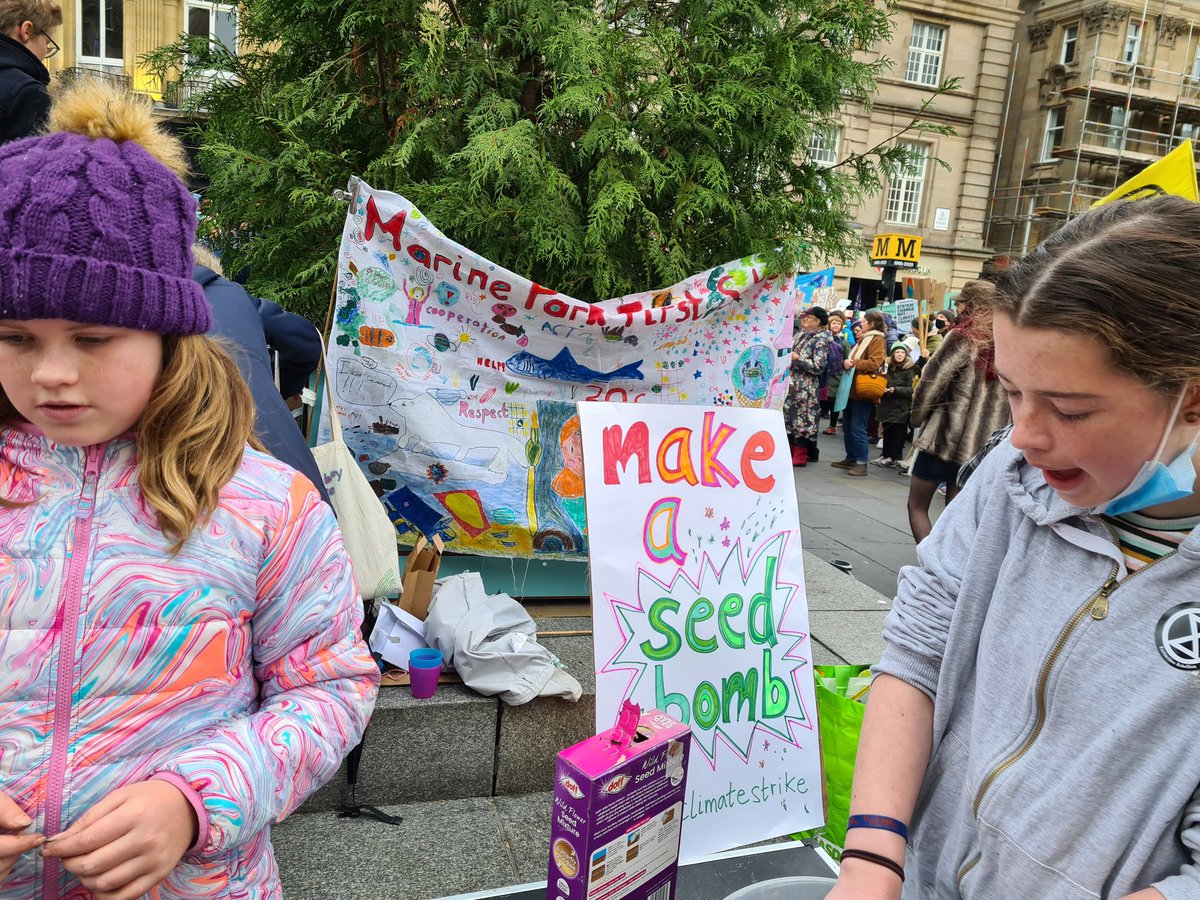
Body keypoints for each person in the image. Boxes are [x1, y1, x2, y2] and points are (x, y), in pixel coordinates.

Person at [0, 80, 379, 897]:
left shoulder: (266, 506)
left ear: (169, 334)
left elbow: (330, 687)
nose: (51, 372)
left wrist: (196, 800)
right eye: (15, 337)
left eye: (93, 337)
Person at [828, 194, 1200, 900]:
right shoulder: (1012, 475)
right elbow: (919, 648)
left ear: (1193, 397)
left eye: (1069, 409)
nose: (1023, 437)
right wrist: (872, 861)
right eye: (1012, 392)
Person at [192, 245, 328, 502]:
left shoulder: (130, 307)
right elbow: (306, 343)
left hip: (187, 473)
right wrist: (274, 391)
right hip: (280, 464)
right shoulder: (232, 295)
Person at [905, 280, 1010, 542]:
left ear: (971, 306)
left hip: (943, 439)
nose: (957, 307)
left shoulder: (963, 337)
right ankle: (950, 563)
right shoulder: (1010, 341)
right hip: (983, 446)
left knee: (917, 506)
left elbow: (931, 384)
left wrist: (916, 417)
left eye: (961, 303)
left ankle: (930, 562)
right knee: (956, 514)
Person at [832, 309, 886, 477]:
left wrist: (853, 362)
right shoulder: (865, 338)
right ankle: (851, 458)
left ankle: (861, 463)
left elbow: (874, 364)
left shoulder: (877, 339)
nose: (861, 323)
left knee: (857, 427)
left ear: (872, 323)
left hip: (863, 391)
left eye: (864, 321)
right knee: (848, 426)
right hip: (852, 389)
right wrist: (847, 363)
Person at [0, 0, 58, 146]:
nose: (46, 52)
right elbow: (29, 158)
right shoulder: (28, 93)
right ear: (27, 31)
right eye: (47, 43)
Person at [785, 306, 832, 466]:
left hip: (806, 387)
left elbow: (818, 367)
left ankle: (800, 455)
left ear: (818, 321)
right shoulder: (801, 335)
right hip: (793, 384)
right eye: (803, 316)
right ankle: (790, 452)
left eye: (808, 317)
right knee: (790, 418)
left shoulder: (820, 340)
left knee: (803, 420)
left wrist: (797, 359)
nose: (804, 319)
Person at [873, 342, 915, 468]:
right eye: (897, 352)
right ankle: (885, 454)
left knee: (897, 433)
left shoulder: (910, 369)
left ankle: (892, 457)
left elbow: (912, 388)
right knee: (887, 431)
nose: (900, 354)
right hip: (886, 404)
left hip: (900, 406)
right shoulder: (887, 366)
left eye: (902, 352)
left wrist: (895, 390)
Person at [823, 310, 850, 433]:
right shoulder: (824, 339)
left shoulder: (844, 342)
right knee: (823, 399)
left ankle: (832, 426)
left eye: (838, 324)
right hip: (824, 373)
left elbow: (847, 358)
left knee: (834, 401)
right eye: (834, 323)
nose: (836, 325)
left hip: (837, 375)